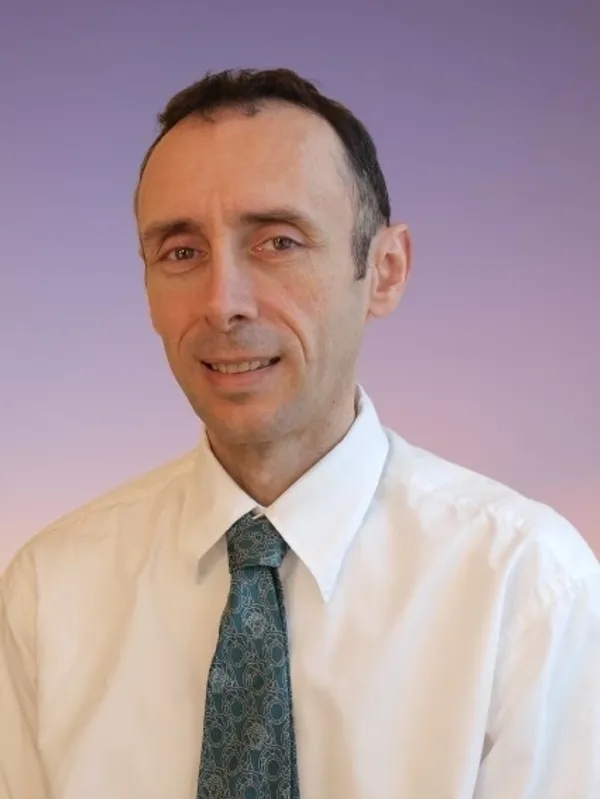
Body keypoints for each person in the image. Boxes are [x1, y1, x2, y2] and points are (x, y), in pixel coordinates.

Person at [1, 67, 598, 799]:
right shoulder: (48, 594)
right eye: (181, 251)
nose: (223, 303)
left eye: (278, 241)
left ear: (384, 270)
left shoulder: (527, 588)